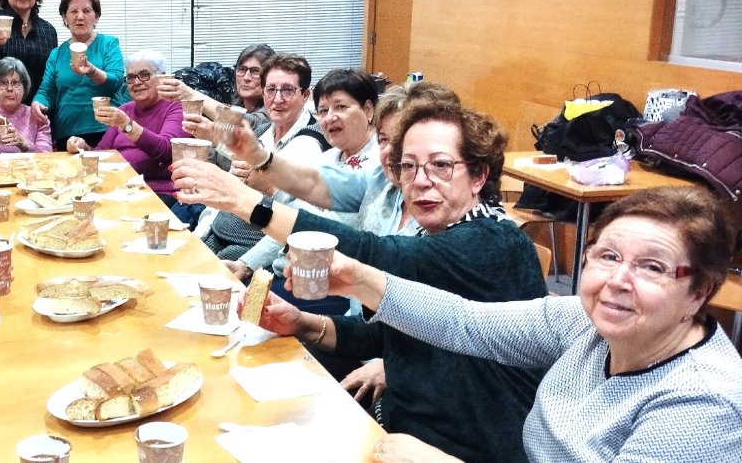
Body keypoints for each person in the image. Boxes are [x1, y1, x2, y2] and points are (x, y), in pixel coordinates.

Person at [173, 99, 548, 463]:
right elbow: (385, 335)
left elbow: (374, 253)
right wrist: (302, 322)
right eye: (409, 166)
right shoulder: (431, 236)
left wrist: (245, 201)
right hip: (393, 431)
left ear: (479, 175)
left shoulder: (497, 244)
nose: (421, 181)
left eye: (441, 166)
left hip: (461, 448)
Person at [317, 186, 742, 463]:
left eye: (652, 267)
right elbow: (463, 322)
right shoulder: (585, 321)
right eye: (608, 256)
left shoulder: (704, 406)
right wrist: (357, 278)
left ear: (700, 292)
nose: (618, 281)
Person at [230, 68, 386, 284]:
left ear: (368, 110)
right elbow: (296, 217)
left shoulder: (382, 161)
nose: (330, 117)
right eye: (322, 111)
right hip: (285, 271)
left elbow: (321, 224)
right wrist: (246, 264)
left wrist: (267, 183)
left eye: (340, 107)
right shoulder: (329, 158)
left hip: (329, 282)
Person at [193, 54, 328, 261]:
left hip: (254, 246)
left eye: (288, 90)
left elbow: (298, 219)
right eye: (271, 90)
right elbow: (226, 190)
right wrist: (199, 234)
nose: (277, 99)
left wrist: (268, 186)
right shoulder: (262, 132)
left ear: (306, 95)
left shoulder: (310, 143)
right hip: (219, 232)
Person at [69, 49, 187, 198]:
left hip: (158, 192)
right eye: (130, 77)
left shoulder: (176, 107)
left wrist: (127, 125)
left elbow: (165, 150)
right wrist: (83, 148)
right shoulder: (125, 110)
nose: (136, 82)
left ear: (162, 77)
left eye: (144, 75)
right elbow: (102, 153)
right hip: (118, 187)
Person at [31, 0, 126, 149]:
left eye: (87, 11)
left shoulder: (109, 44)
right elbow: (47, 91)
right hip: (67, 133)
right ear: (64, 18)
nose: (80, 16)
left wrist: (93, 72)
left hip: (107, 130)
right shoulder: (57, 54)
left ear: (96, 17)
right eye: (73, 11)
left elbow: (115, 81)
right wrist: (37, 102)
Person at [162, 43, 275, 133]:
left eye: (255, 71)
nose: (246, 77)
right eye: (242, 69)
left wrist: (191, 95)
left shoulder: (273, 109)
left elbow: (243, 124)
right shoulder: (233, 104)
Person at [0, 57, 53, 154]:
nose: (10, 88)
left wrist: (24, 145)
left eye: (15, 83)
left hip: (26, 169)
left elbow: (46, 157)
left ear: (24, 87)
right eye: (3, 83)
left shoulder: (37, 116)